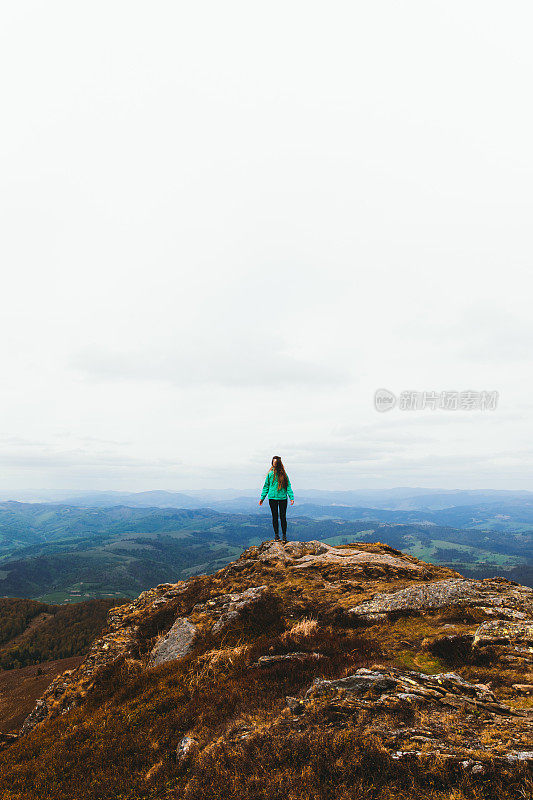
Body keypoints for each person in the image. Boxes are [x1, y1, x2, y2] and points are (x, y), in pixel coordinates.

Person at [259, 455, 294, 543]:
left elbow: (288, 486)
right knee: (275, 517)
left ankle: (284, 536)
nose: (274, 463)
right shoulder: (270, 474)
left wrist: (291, 497)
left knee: (283, 517)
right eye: (273, 462)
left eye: (276, 462)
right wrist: (262, 498)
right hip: (272, 498)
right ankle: (276, 535)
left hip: (282, 498)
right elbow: (266, 486)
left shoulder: (284, 474)